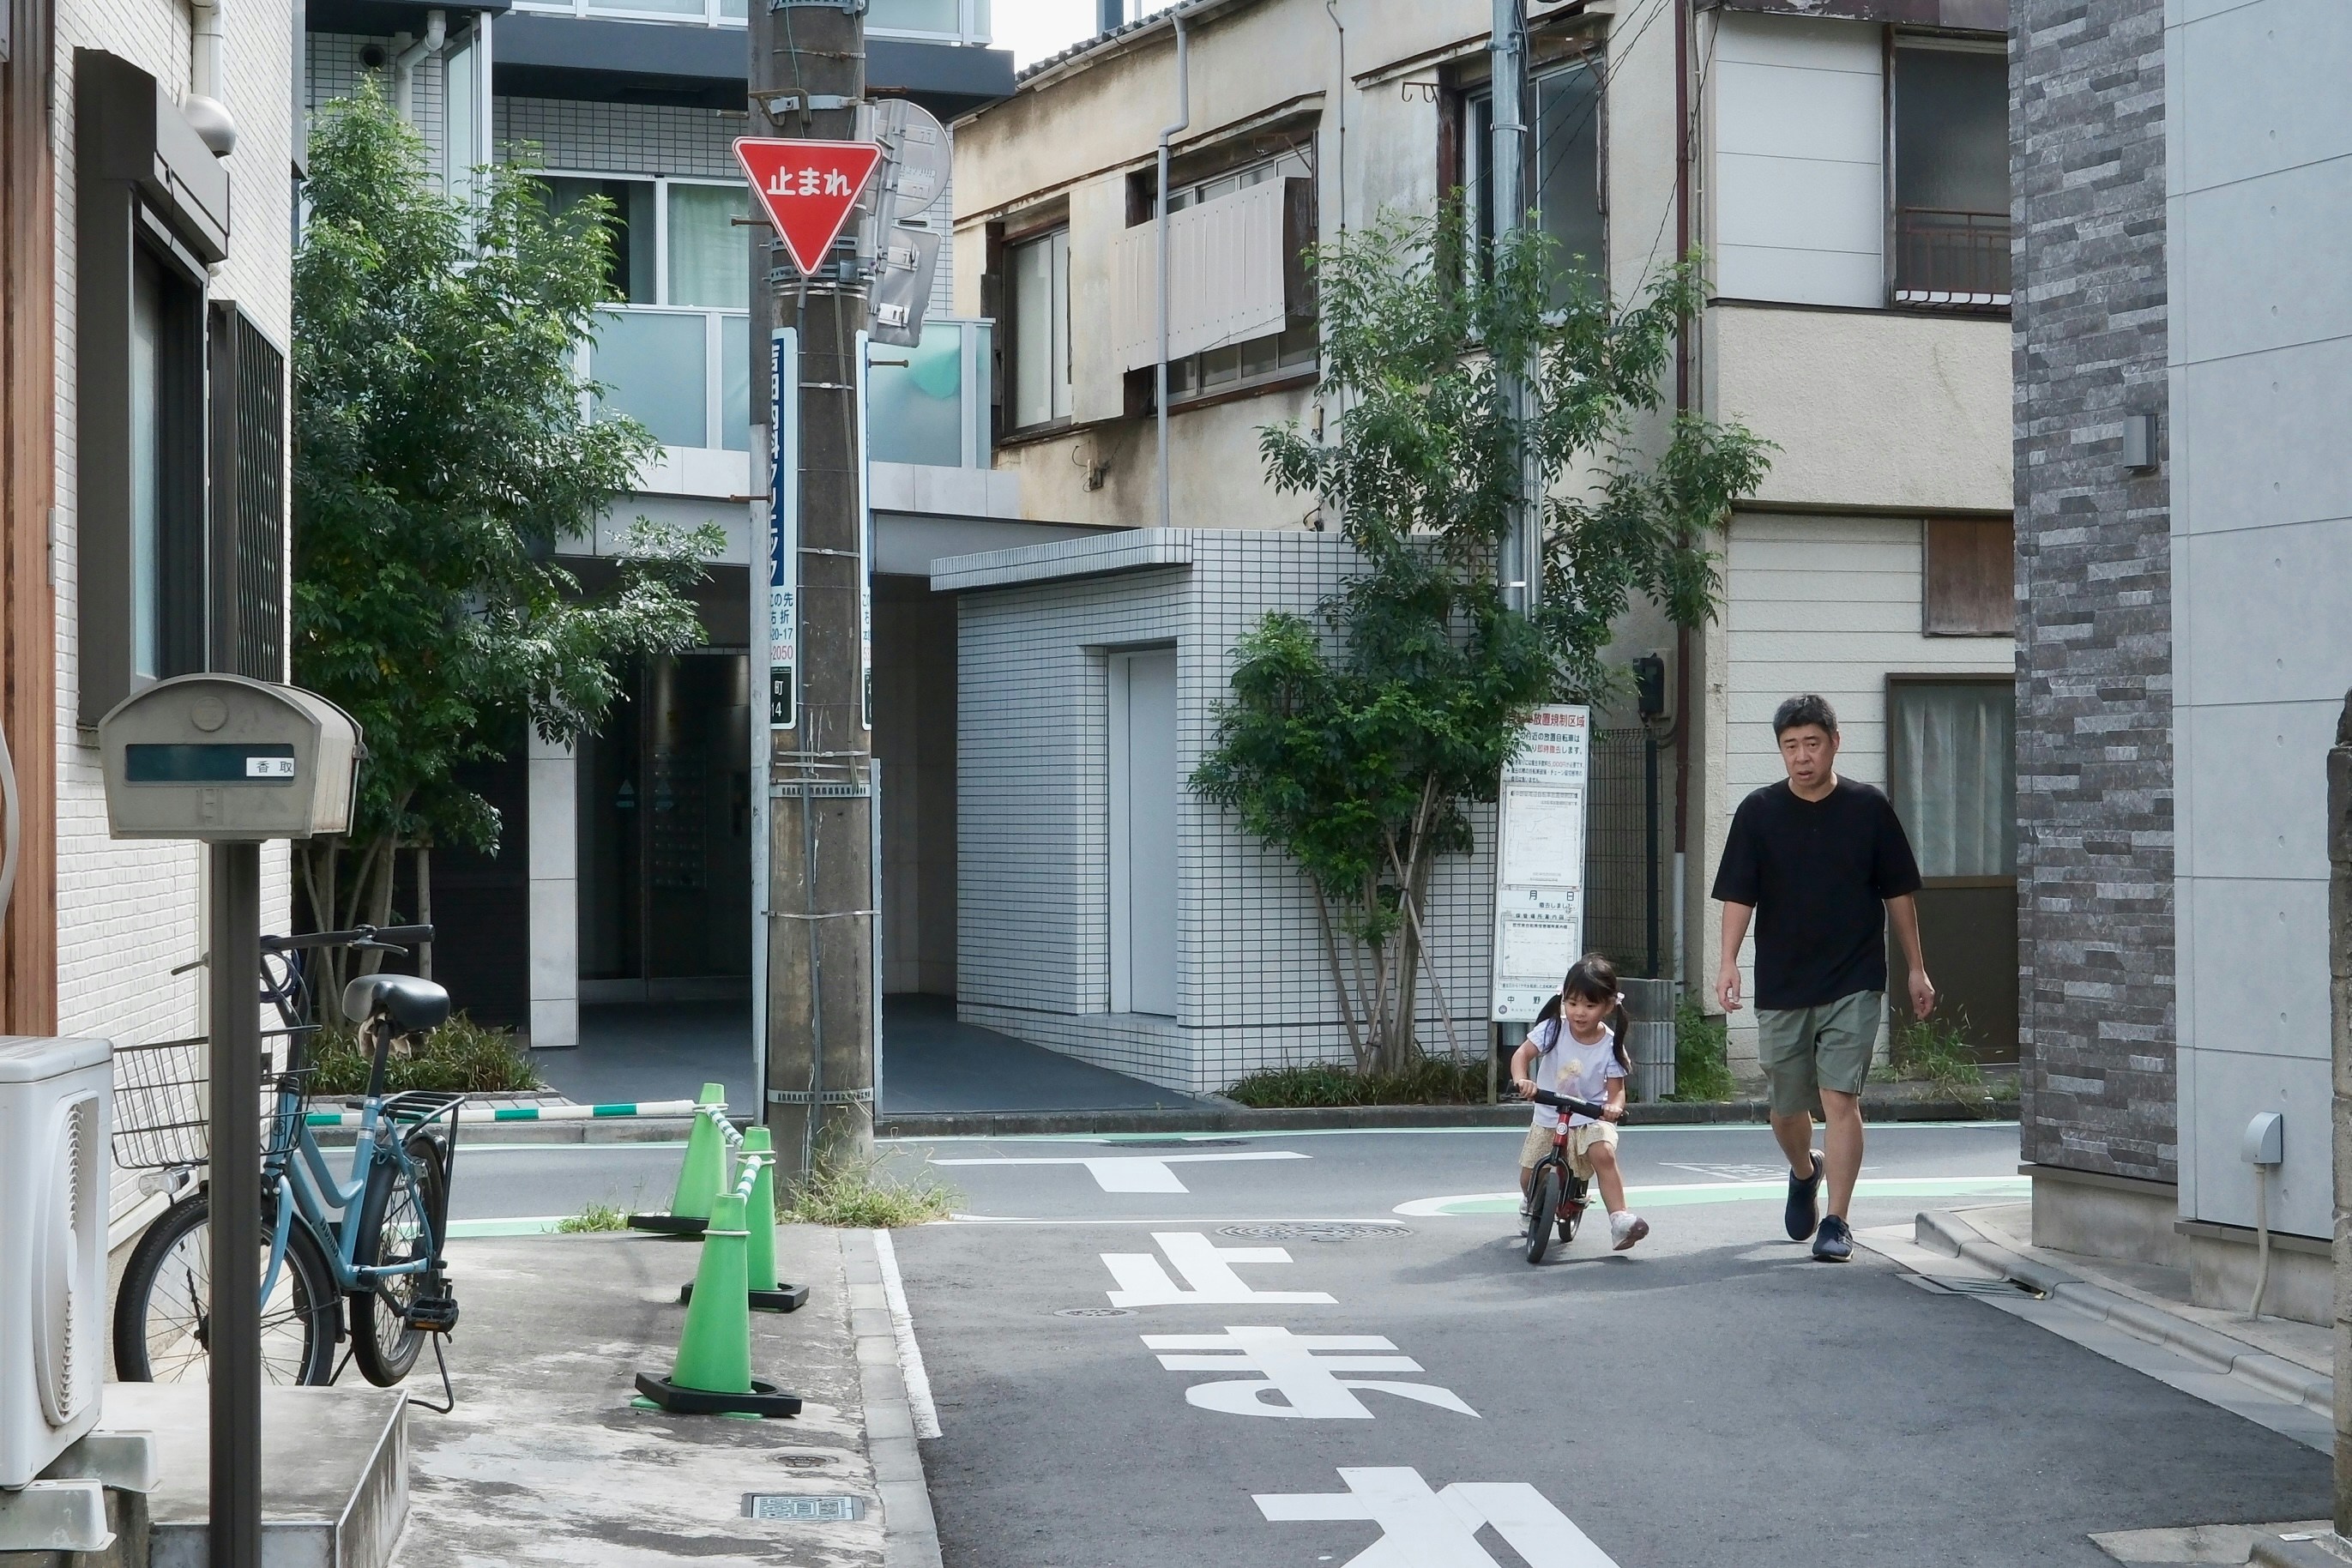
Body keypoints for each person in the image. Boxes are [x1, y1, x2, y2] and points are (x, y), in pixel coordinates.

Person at [1712, 694, 1933, 1263]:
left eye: (1812, 743)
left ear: (1835, 743)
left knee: (1840, 1096)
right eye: (1791, 746)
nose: (1802, 756)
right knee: (1786, 1108)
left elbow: (1898, 894)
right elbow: (1739, 894)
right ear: (1781, 751)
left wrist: (1916, 967)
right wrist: (1727, 961)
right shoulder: (1759, 813)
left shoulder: (1868, 808)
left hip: (1855, 976)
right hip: (1785, 979)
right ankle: (1803, 1170)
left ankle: (1837, 1220)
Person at [1510, 953, 1649, 1252]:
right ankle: (1530, 1202)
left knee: (1604, 1154)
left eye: (1589, 1005)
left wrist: (1613, 1107)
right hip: (1549, 1115)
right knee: (1528, 1176)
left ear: (1608, 1005)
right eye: (1572, 1003)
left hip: (1590, 1117)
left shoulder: (1611, 1045)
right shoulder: (1553, 1029)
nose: (1579, 1012)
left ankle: (1620, 1221)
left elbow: (1616, 1090)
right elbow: (1521, 1056)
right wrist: (1523, 1080)